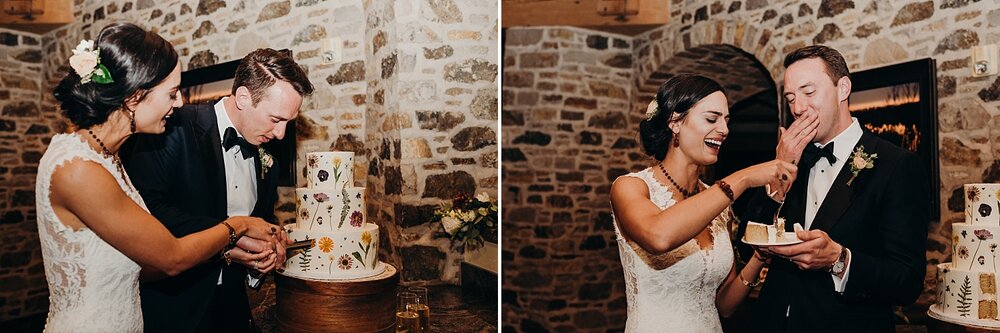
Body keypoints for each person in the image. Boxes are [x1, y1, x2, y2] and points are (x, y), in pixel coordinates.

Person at [35, 23, 279, 332]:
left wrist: (229, 253)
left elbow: (139, 266)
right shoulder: (78, 168)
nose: (178, 104)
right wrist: (240, 225)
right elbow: (171, 258)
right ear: (135, 97)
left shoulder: (108, 158)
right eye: (172, 93)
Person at [121, 48, 314, 332]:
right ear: (244, 98)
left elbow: (260, 220)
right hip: (175, 307)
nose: (281, 134)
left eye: (288, 123)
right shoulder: (174, 127)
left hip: (233, 307)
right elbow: (147, 210)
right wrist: (230, 239)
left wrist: (265, 254)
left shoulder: (267, 155)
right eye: (275, 119)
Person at [743, 45, 930, 332]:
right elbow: (749, 238)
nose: (797, 108)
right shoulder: (790, 158)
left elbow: (905, 281)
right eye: (791, 98)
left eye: (808, 92)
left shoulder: (896, 165)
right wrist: (778, 173)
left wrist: (838, 260)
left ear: (842, 88)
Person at [609, 74, 797, 332]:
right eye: (712, 118)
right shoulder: (631, 187)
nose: (725, 130)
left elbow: (725, 306)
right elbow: (658, 237)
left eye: (726, 120)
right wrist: (743, 178)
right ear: (675, 122)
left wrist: (758, 257)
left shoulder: (717, 202)